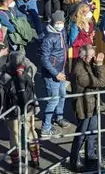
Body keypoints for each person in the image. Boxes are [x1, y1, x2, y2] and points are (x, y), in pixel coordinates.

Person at [69, 44, 105, 171]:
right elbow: (101, 82)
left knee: (92, 133)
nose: (94, 58)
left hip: (92, 103)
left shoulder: (86, 64)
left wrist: (95, 65)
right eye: (92, 56)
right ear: (84, 57)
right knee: (81, 135)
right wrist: (100, 65)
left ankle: (90, 156)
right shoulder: (80, 71)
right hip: (83, 106)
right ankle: (74, 160)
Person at [0, 52, 40, 168]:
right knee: (31, 132)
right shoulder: (29, 71)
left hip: (12, 108)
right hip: (29, 106)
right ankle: (35, 159)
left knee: (14, 135)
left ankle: (16, 162)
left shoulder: (6, 76)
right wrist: (24, 60)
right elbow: (33, 66)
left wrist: (7, 64)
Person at [39, 10, 68, 139]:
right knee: (53, 99)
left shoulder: (61, 33)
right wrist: (56, 74)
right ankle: (46, 128)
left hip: (60, 70)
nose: (60, 24)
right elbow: (44, 59)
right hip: (52, 74)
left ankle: (59, 117)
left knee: (62, 95)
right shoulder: (49, 38)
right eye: (57, 22)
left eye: (61, 22)